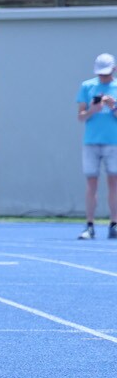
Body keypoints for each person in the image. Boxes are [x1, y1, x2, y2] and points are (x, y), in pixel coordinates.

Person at [78, 52, 117, 239]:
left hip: (113, 142)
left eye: (106, 73)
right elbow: (80, 116)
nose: (103, 77)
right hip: (91, 141)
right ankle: (90, 225)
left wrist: (113, 107)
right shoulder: (87, 86)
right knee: (91, 183)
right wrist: (93, 110)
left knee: (114, 183)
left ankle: (114, 224)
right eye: (100, 73)